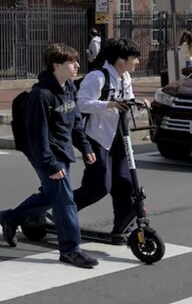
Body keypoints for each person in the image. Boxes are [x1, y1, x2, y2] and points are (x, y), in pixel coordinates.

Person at [0, 43, 99, 269]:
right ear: (56, 65)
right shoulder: (40, 96)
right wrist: (51, 164)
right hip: (46, 154)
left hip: (62, 151)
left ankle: (10, 218)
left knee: (52, 195)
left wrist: (86, 147)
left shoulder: (69, 87)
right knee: (65, 202)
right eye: (72, 62)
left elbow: (76, 122)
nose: (77, 65)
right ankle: (71, 250)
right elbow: (37, 135)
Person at [75, 38, 142, 241]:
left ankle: (122, 225)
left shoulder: (125, 77)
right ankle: (59, 209)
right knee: (98, 187)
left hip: (119, 136)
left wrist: (138, 106)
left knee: (125, 183)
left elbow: (125, 106)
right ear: (121, 59)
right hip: (97, 137)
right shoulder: (97, 77)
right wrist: (108, 105)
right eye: (134, 58)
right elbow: (81, 104)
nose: (137, 62)